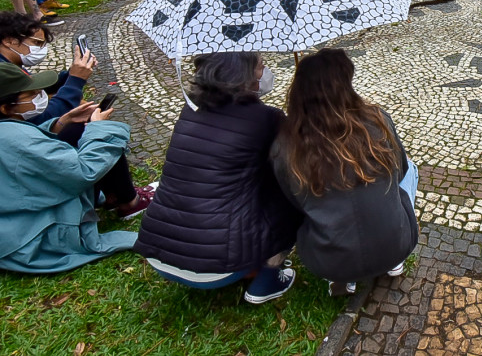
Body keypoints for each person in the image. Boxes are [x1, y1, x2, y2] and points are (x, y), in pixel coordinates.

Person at [134, 52, 300, 303]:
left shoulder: (190, 108)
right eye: (260, 67)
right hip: (221, 263)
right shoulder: (266, 118)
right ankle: (267, 279)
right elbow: (292, 169)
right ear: (243, 75)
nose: (265, 73)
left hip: (160, 252)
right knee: (292, 194)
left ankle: (252, 262)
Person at [272, 49, 419, 297]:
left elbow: (292, 203)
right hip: (398, 244)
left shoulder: (285, 145)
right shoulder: (378, 119)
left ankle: (342, 279)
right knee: (411, 168)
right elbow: (401, 169)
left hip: (330, 260)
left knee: (315, 205)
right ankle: (392, 259)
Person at [0, 63, 155, 273]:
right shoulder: (16, 138)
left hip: (13, 219)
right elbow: (83, 171)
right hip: (32, 235)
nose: (41, 97)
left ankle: (114, 197)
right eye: (32, 94)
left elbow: (29, 147)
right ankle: (130, 202)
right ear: (5, 108)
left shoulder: (9, 130)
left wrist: (62, 122)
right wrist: (99, 129)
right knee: (101, 139)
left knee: (75, 129)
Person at [0, 12, 97, 125]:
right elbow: (43, 118)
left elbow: (37, 88)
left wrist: (72, 72)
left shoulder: (10, 65)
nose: (42, 50)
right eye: (36, 43)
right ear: (9, 41)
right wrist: (76, 79)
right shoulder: (3, 73)